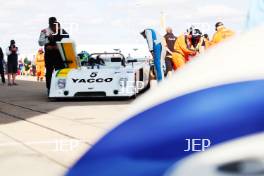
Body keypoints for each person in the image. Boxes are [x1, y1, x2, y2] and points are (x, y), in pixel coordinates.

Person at [38, 17, 69, 93]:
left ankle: (61, 88)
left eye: (55, 23)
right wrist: (48, 39)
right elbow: (40, 42)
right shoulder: (45, 31)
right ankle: (49, 89)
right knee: (49, 72)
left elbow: (67, 38)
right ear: (49, 24)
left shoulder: (61, 30)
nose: (53, 25)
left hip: (59, 55)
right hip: (49, 55)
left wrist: (58, 46)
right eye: (52, 24)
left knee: (60, 71)